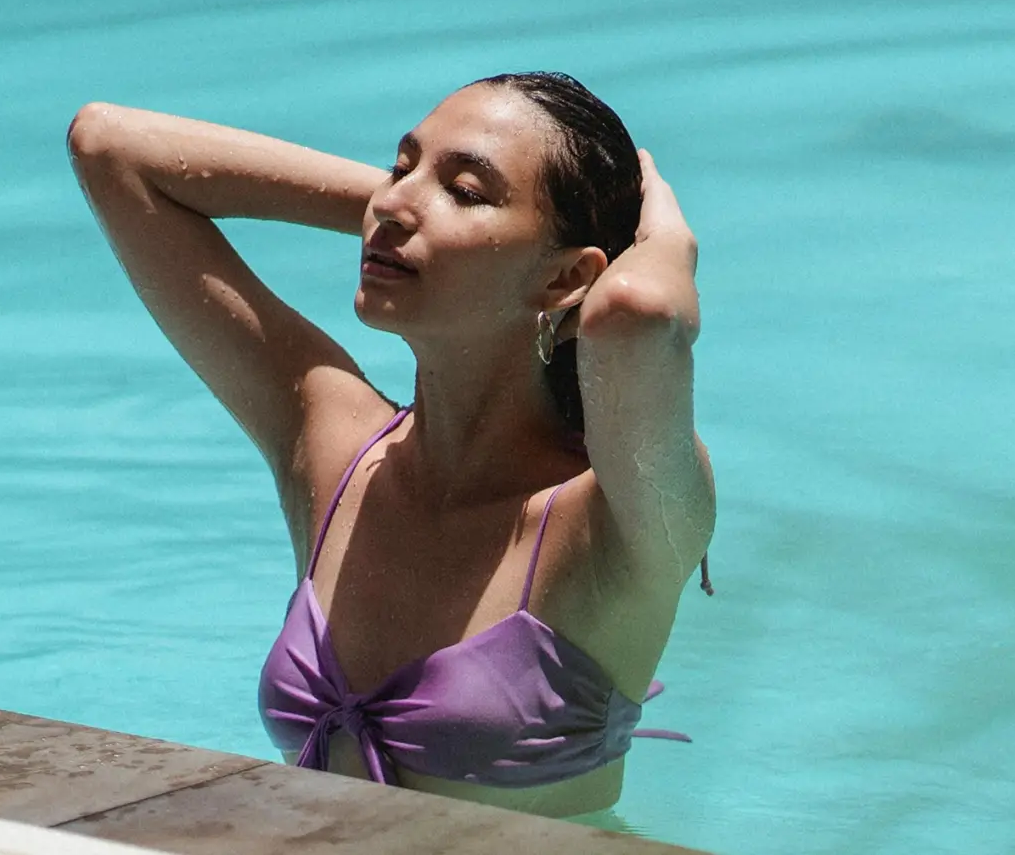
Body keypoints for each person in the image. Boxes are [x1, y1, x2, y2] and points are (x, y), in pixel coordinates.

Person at [65, 72, 714, 817]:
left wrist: (665, 240)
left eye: (466, 190)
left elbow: (639, 311)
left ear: (570, 277)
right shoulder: (333, 445)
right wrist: (406, 219)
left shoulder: (613, 520)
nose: (396, 199)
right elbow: (110, 148)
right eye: (400, 167)